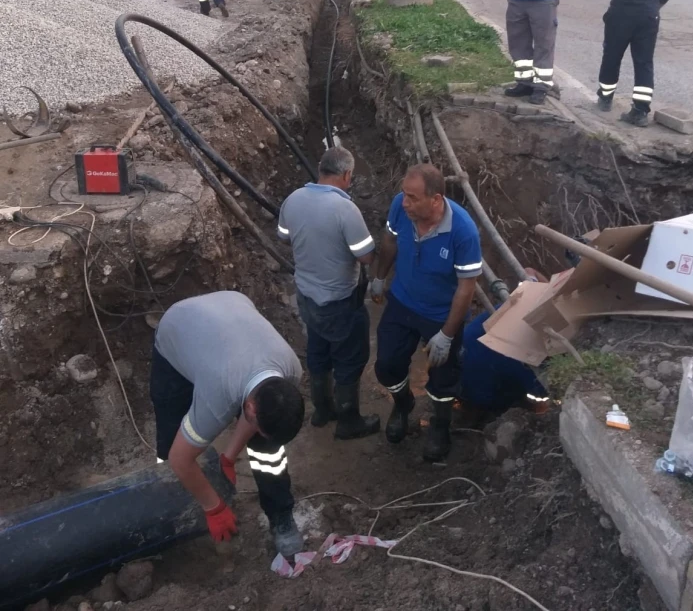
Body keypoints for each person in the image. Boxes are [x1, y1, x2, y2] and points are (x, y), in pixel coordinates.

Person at [150, 291, 305, 556]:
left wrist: (229, 457)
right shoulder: (217, 397)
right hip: (177, 328)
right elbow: (180, 458)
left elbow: (255, 421)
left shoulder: (290, 371)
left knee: (266, 449)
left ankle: (280, 515)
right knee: (171, 442)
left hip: (232, 308)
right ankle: (179, 509)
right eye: (255, 422)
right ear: (250, 408)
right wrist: (214, 508)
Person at [370, 165, 483, 462]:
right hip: (403, 301)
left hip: (440, 314)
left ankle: (440, 425)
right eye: (404, 194)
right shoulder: (400, 208)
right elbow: (390, 240)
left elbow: (465, 288)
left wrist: (447, 334)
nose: (404, 202)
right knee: (387, 364)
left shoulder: (462, 232)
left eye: (412, 197)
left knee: (444, 377)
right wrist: (380, 276)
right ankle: (403, 402)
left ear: (435, 200)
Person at [277, 147, 380, 440]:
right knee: (350, 357)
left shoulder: (293, 199)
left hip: (307, 295)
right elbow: (366, 257)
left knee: (318, 350)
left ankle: (322, 411)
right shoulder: (345, 209)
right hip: (339, 300)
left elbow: (284, 237)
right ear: (346, 174)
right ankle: (348, 420)